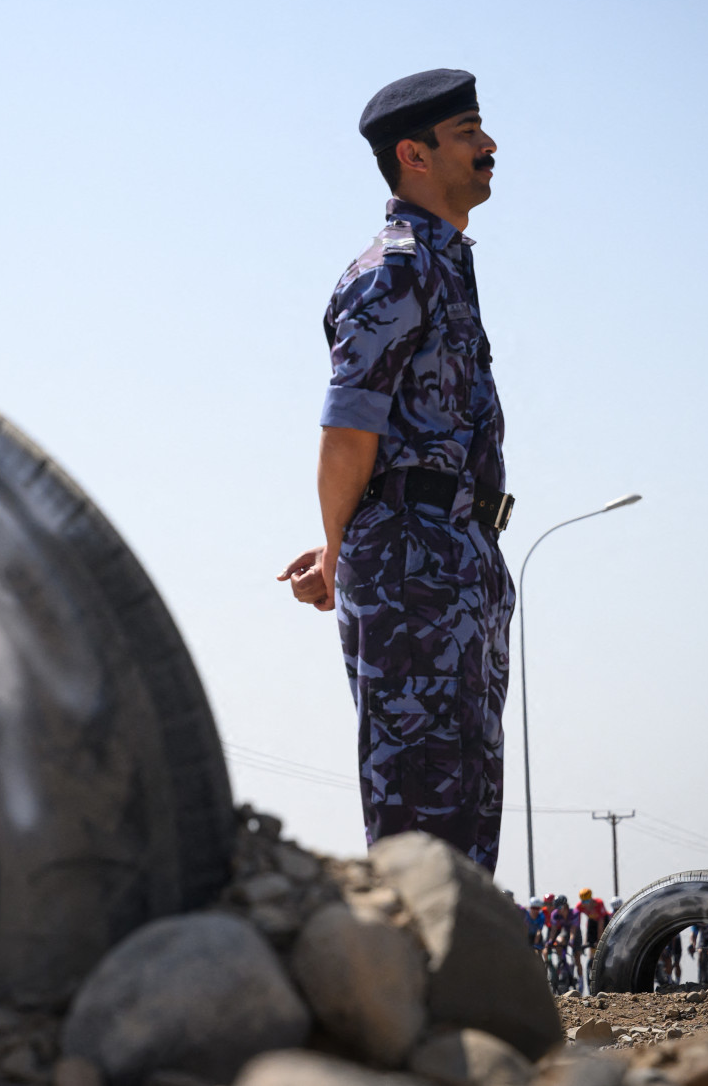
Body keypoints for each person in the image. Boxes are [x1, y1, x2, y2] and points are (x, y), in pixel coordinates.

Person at [278, 68, 513, 869]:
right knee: (422, 799)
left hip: (461, 551)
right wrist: (337, 549)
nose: (488, 146)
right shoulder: (395, 270)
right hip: (414, 561)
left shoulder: (447, 265)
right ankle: (417, 979)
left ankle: (460, 978)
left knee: (470, 791)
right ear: (413, 154)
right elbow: (348, 431)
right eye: (467, 133)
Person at [576, 888, 608, 960]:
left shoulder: (599, 903)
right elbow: (577, 923)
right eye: (583, 902)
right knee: (591, 943)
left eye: (587, 901)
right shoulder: (580, 906)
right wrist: (582, 942)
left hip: (603, 920)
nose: (586, 904)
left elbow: (601, 923)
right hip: (592, 921)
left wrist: (599, 940)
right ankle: (591, 959)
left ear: (591, 899)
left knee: (601, 940)